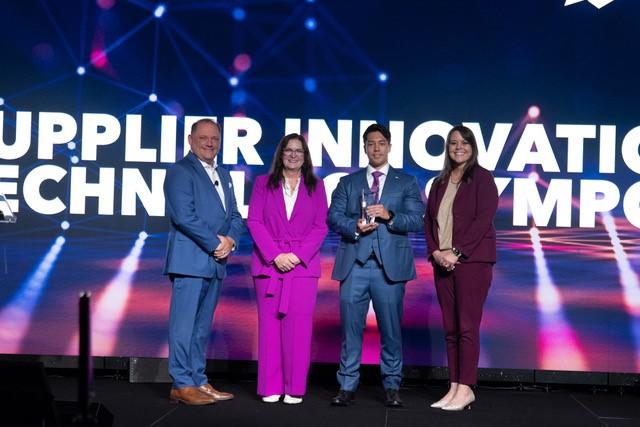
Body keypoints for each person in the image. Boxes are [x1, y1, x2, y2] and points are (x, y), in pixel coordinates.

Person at [327, 123, 424, 407]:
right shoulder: (348, 182)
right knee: (350, 329)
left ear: (390, 146)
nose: (377, 148)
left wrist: (389, 214)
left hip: (389, 268)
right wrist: (354, 227)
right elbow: (333, 217)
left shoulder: (405, 182)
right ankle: (346, 385)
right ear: (365, 147)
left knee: (391, 330)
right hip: (354, 263)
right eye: (371, 143)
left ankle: (392, 385)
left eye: (381, 143)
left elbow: (416, 220)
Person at [163, 118, 244, 405]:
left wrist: (231, 241)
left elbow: (235, 215)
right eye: (204, 137)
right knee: (183, 326)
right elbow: (184, 216)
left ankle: (198, 379)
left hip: (216, 262)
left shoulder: (224, 173)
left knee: (201, 327)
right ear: (190, 139)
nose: (210, 143)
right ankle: (181, 383)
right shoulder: (180, 171)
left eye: (215, 138)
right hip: (190, 260)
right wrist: (216, 243)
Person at [247, 133, 328, 405]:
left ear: (305, 157)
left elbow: (320, 226)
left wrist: (296, 256)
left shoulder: (316, 186)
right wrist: (275, 256)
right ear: (280, 154)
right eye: (288, 150)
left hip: (302, 267)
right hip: (268, 267)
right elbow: (255, 222)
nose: (293, 155)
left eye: (299, 151)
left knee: (299, 328)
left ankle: (294, 388)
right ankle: (270, 385)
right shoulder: (262, 184)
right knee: (269, 328)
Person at [423, 125, 498, 411]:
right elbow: (429, 222)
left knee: (467, 326)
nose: (458, 147)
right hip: (442, 262)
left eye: (464, 142)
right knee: (450, 328)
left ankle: (466, 388)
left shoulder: (482, 178)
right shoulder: (439, 182)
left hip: (472, 262)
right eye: (453, 143)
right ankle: (454, 386)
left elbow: (483, 220)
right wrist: (435, 252)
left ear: (472, 146)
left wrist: (456, 252)